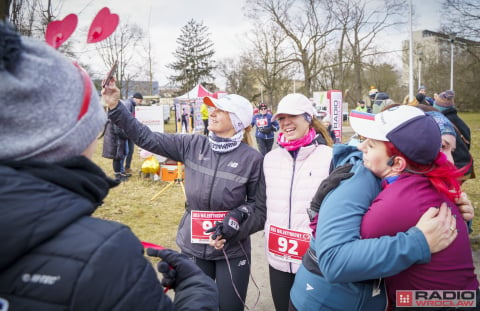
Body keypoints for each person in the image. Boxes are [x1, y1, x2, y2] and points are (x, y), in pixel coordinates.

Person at [0, 21, 218, 310]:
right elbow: (146, 136)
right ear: (74, 135)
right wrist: (197, 289)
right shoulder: (108, 256)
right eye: (95, 126)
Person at [290, 106, 479, 311]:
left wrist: (425, 238)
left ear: (397, 162)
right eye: (442, 147)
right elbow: (336, 257)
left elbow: (337, 258)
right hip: (454, 300)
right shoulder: (416, 184)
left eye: (371, 144)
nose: (360, 147)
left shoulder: (401, 197)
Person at [104, 87, 265, 311]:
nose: (212, 113)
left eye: (220, 110)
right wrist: (114, 106)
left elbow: (258, 209)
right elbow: (145, 137)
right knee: (193, 306)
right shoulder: (192, 144)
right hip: (193, 247)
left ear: (238, 121)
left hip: (233, 250)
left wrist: (235, 224)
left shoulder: (253, 159)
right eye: (213, 108)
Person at [255, 93, 334, 311]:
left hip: (312, 261)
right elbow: (261, 208)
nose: (285, 122)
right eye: (281, 118)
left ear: (308, 118)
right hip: (278, 260)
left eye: (292, 116)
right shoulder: (269, 160)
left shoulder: (329, 157)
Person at [434, 90, 475, 181]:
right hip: (467, 167)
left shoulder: (442, 126)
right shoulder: (463, 124)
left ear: (438, 107)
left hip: (454, 170)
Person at [123, 92, 143, 174]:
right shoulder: (128, 104)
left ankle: (127, 167)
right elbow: (127, 119)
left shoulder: (133, 105)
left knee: (130, 150)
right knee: (125, 151)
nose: (140, 103)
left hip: (130, 131)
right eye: (140, 101)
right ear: (136, 98)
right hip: (126, 131)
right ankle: (121, 169)